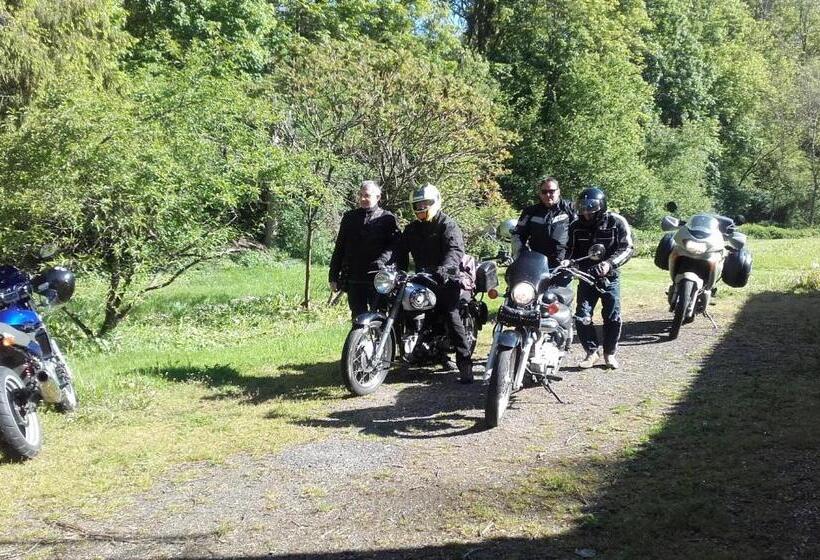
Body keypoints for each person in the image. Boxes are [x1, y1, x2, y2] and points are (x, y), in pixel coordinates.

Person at [379, 184, 475, 384]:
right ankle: (404, 350)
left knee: (451, 313)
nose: (421, 207)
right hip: (422, 278)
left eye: (426, 203)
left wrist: (446, 268)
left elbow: (455, 250)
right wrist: (387, 266)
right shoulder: (412, 229)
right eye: (418, 204)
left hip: (446, 279)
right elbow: (399, 251)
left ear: (436, 202)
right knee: (400, 304)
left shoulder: (448, 225)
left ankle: (465, 364)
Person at [566, 186, 633, 370]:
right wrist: (570, 263)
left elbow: (627, 248)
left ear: (601, 207)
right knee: (581, 316)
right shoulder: (575, 226)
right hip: (586, 277)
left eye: (591, 209)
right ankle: (591, 352)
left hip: (609, 277)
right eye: (583, 209)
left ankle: (609, 353)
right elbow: (569, 252)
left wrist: (609, 264)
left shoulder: (616, 221)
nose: (586, 213)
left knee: (612, 316)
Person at [329, 181, 400, 319]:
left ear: (378, 197)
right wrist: (333, 275)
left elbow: (395, 246)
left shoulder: (388, 219)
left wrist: (382, 261)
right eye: (360, 195)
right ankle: (358, 342)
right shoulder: (349, 218)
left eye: (367, 195)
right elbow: (340, 247)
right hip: (354, 278)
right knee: (357, 319)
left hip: (378, 279)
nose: (362, 199)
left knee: (379, 317)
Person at [510, 176, 576, 285]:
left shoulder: (570, 209)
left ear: (558, 191)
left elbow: (579, 234)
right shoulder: (530, 212)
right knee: (527, 297)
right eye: (544, 192)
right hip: (536, 264)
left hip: (562, 265)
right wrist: (521, 255)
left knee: (560, 299)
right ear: (540, 193)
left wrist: (572, 259)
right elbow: (518, 235)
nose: (548, 195)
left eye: (551, 191)